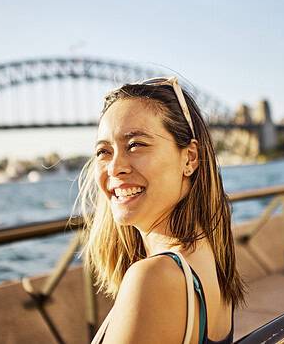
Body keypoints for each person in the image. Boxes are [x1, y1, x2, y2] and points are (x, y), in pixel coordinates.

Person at [73, 76, 247, 343]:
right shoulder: (209, 257)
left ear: (189, 158)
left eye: (136, 145)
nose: (115, 167)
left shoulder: (153, 278)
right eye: (103, 152)